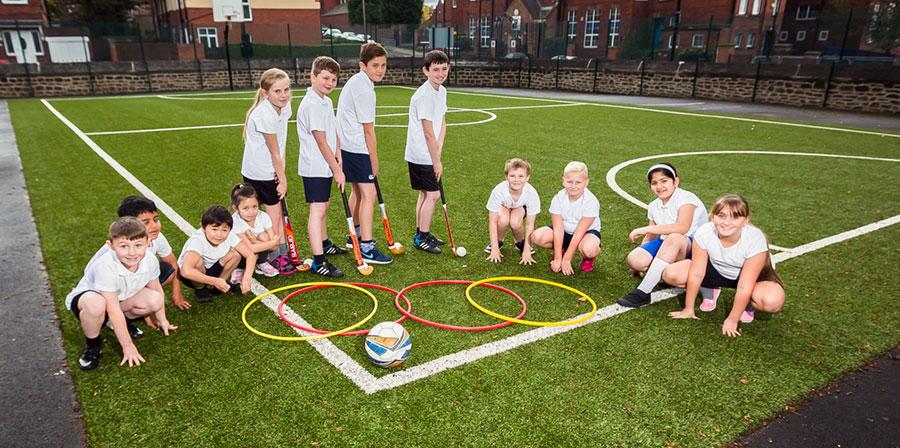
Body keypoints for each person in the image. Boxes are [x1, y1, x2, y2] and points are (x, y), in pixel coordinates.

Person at [65, 217, 177, 370]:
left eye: (138, 245)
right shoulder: (105, 266)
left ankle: (112, 322)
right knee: (96, 305)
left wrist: (162, 319)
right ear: (110, 246)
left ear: (148, 243)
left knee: (155, 300)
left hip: (119, 299)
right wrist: (128, 346)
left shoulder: (149, 259)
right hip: (89, 300)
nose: (131, 253)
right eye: (123, 246)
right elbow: (113, 309)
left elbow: (156, 288)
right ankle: (93, 345)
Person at [664, 194, 785, 337]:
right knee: (670, 274)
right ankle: (710, 288)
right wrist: (688, 308)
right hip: (718, 270)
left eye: (735, 217)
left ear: (746, 220)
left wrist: (732, 320)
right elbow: (697, 273)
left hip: (750, 277)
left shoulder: (755, 239)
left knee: (772, 301)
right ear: (713, 216)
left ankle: (748, 304)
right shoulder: (705, 232)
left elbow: (744, 285)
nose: (727, 222)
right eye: (721, 216)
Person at [617, 163, 708, 308]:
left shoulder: (687, 198)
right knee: (635, 260)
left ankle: (643, 292)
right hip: (668, 245)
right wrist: (635, 267)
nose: (659, 186)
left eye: (664, 180)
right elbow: (652, 234)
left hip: (695, 248)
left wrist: (645, 228)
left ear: (675, 181)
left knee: (675, 237)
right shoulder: (654, 205)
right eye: (654, 183)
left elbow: (683, 227)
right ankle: (663, 271)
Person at [337, 42, 392, 264]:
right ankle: (367, 247)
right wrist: (374, 160)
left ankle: (355, 236)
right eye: (375, 65)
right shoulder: (363, 89)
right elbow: (369, 130)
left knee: (358, 193)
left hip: (347, 145)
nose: (380, 70)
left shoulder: (359, 82)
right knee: (369, 195)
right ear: (363, 65)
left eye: (383, 65)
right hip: (357, 148)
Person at [240, 67, 297, 275]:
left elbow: (281, 143)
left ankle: (274, 254)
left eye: (286, 89)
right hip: (259, 173)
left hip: (269, 169)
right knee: (272, 218)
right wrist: (282, 179)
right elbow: (274, 151)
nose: (284, 95)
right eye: (277, 91)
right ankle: (276, 257)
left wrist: (280, 169)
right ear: (265, 93)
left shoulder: (285, 107)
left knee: (275, 216)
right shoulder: (264, 114)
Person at [297, 56, 347, 277]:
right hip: (314, 166)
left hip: (327, 163)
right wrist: (338, 171)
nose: (330, 83)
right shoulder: (311, 104)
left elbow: (332, 130)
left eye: (334, 79)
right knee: (317, 210)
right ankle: (319, 261)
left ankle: (325, 244)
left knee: (324, 206)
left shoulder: (325, 101)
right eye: (325, 78)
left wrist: (339, 156)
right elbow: (320, 140)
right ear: (313, 77)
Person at [116, 195, 188, 330]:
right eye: (146, 222)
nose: (154, 225)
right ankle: (114, 315)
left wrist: (176, 293)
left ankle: (135, 307)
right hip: (111, 290)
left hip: (132, 283)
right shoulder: (123, 248)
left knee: (167, 270)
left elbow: (172, 263)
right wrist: (149, 310)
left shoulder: (157, 237)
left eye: (155, 219)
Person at [405, 50, 450, 254]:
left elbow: (442, 122)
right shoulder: (423, 96)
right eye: (435, 69)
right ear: (426, 71)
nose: (440, 73)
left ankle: (421, 232)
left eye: (443, 69)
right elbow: (428, 132)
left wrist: (439, 153)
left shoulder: (441, 91)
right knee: (432, 194)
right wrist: (436, 160)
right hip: (421, 154)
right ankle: (421, 238)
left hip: (430, 153)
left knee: (425, 194)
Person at [530, 161, 602, 275]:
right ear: (563, 181)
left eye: (578, 182)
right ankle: (562, 250)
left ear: (586, 182)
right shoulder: (558, 199)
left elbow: (579, 232)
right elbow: (558, 229)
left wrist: (567, 260)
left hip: (585, 233)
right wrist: (558, 258)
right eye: (569, 182)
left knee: (589, 250)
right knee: (537, 237)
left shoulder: (591, 201)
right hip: (565, 231)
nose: (573, 186)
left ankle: (588, 258)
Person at [177, 205, 257, 302]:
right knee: (198, 262)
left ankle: (220, 285)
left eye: (224, 230)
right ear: (203, 227)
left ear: (230, 229)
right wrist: (214, 281)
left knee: (235, 254)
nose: (219, 234)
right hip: (191, 277)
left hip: (212, 268)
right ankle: (200, 288)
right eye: (214, 229)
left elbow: (250, 255)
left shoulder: (230, 235)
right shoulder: (197, 241)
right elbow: (186, 271)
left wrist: (246, 279)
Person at [484, 157, 540, 265]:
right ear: (506, 176)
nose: (516, 179)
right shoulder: (499, 191)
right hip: (503, 206)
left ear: (528, 177)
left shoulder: (531, 193)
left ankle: (519, 242)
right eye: (512, 176)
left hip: (519, 207)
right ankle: (498, 242)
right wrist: (495, 249)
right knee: (503, 220)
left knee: (515, 223)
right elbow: (492, 222)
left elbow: (529, 224)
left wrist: (527, 251)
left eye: (521, 176)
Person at [229, 183, 279, 280]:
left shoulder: (263, 216)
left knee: (264, 237)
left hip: (255, 248)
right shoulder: (234, 221)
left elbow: (275, 247)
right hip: (242, 252)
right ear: (236, 208)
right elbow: (249, 249)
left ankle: (261, 263)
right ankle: (239, 268)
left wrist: (255, 241)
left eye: (254, 206)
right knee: (239, 249)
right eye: (245, 208)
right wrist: (272, 242)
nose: (251, 211)